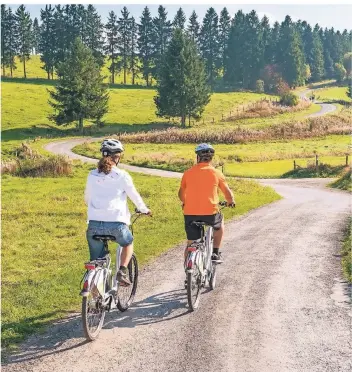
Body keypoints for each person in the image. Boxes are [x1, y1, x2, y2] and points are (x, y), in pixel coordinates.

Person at [84, 139, 151, 286]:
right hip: (116, 225)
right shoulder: (122, 175)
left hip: (93, 225)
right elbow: (134, 196)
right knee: (128, 243)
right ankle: (122, 271)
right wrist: (144, 210)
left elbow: (87, 198)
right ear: (117, 157)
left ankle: (95, 301)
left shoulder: (92, 175)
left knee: (96, 264)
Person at [178, 143, 235, 264]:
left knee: (191, 243)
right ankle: (215, 252)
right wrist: (231, 202)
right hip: (211, 212)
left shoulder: (187, 173)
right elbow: (227, 192)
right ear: (211, 158)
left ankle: (188, 272)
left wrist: (185, 202)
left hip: (190, 213)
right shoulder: (216, 173)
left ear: (197, 157)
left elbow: (181, 194)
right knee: (219, 225)